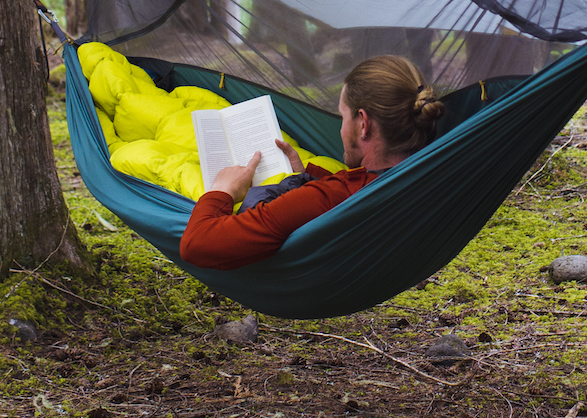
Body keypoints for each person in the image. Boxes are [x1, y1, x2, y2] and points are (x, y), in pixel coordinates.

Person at [179, 55, 444, 270]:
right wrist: (306, 174)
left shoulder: (325, 198)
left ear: (363, 123)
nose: (341, 129)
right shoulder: (433, 173)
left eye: (342, 117)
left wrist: (221, 191)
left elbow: (197, 246)